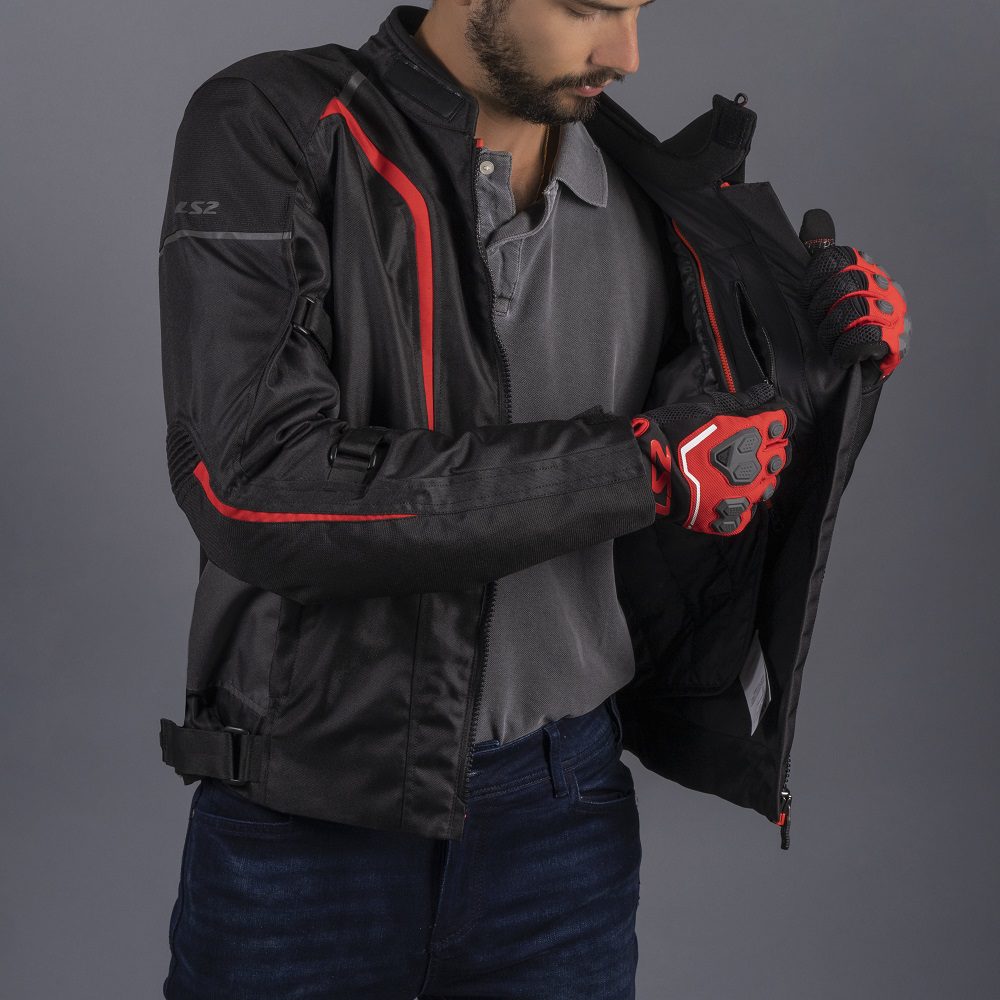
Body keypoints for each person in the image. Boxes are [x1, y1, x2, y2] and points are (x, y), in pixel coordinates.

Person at [157, 3, 908, 997]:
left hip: (565, 818)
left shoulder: (662, 204)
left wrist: (817, 373)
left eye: (637, 9)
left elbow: (706, 500)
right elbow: (255, 485)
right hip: (308, 821)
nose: (625, 54)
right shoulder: (279, 123)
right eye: (587, 7)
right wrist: (637, 466)